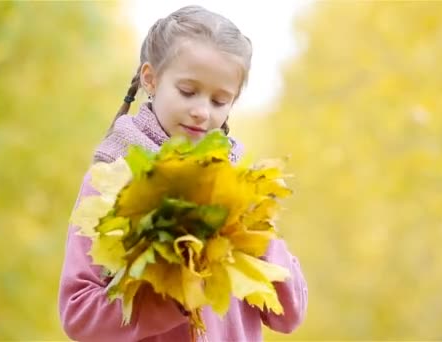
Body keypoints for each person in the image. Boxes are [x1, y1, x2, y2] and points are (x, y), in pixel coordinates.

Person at [58, 5, 307, 342]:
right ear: (151, 79)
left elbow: (287, 315)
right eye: (188, 92)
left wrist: (256, 235)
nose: (201, 112)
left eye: (220, 101)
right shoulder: (111, 184)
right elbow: (78, 312)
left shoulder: (239, 191)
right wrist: (174, 297)